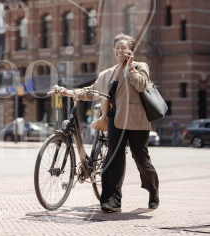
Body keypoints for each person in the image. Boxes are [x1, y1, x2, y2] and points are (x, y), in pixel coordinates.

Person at [52, 33, 159, 213]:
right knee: (113, 158)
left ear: (131, 51)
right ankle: (112, 200)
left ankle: (153, 189)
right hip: (115, 119)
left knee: (140, 158)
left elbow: (141, 85)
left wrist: (131, 67)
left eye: (124, 49)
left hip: (137, 120)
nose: (120, 51)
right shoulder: (106, 74)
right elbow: (91, 91)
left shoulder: (141, 66)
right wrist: (69, 93)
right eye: (117, 48)